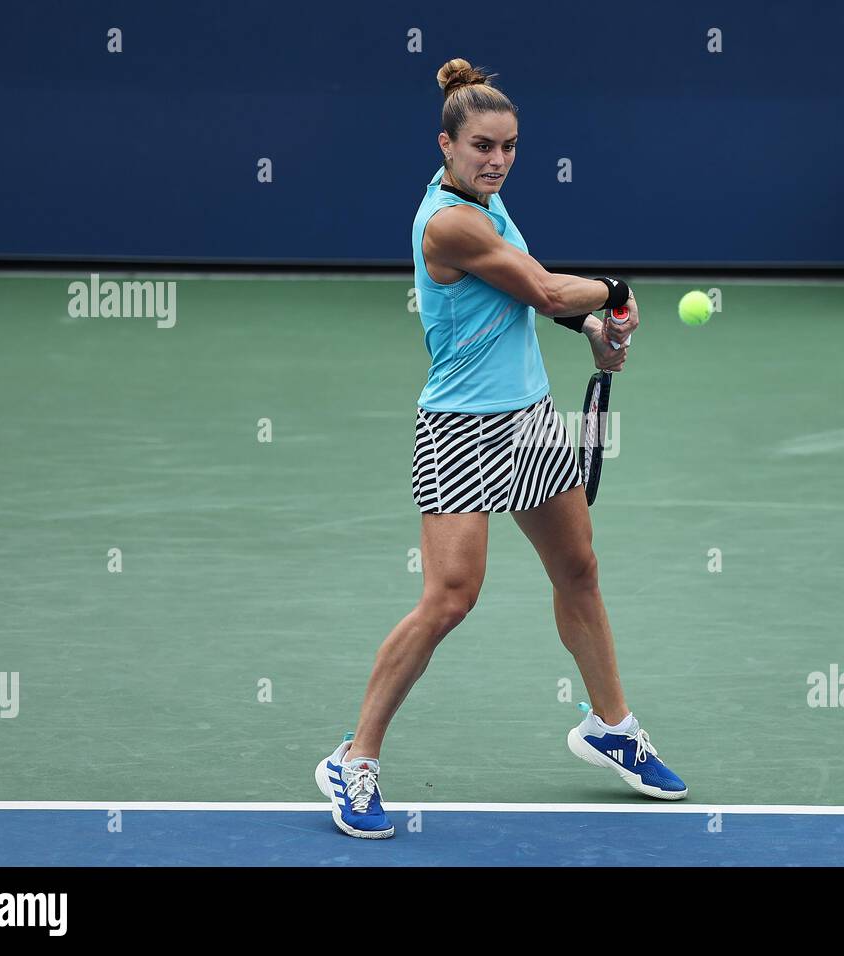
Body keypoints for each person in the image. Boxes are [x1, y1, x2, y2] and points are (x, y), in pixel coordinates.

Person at [314, 58, 687, 839]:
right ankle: (354, 757)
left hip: (531, 418)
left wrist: (590, 331)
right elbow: (549, 288)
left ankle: (609, 725)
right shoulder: (448, 222)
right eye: (482, 145)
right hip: (460, 429)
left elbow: (528, 294)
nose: (498, 160)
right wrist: (613, 293)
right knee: (451, 598)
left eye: (510, 146)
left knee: (578, 569)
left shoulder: (486, 204)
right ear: (445, 144)